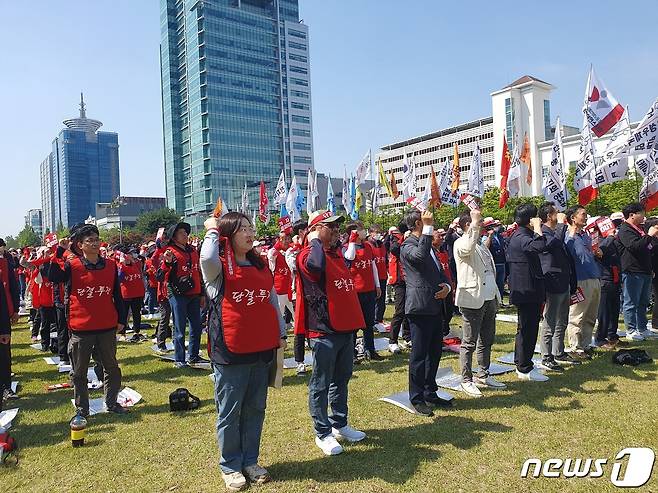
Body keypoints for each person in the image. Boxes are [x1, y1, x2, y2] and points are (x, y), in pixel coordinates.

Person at [200, 212, 285, 491]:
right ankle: (230, 465)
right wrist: (211, 231)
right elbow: (207, 258)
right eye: (241, 229)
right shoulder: (217, 269)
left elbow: (272, 301)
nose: (249, 233)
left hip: (261, 349)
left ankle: (250, 460)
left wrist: (281, 333)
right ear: (227, 235)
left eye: (250, 228)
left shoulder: (260, 265)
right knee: (229, 411)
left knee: (255, 408)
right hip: (230, 352)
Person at [295, 210, 367, 456]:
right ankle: (322, 432)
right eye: (331, 227)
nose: (337, 231)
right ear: (316, 230)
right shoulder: (308, 254)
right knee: (321, 382)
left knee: (342, 378)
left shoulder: (336, 254)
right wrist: (313, 239)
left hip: (344, 328)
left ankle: (340, 423)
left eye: (338, 227)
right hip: (323, 329)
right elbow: (314, 266)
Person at [43, 224, 128, 416]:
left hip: (106, 325)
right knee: (79, 372)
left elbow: (117, 295)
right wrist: (59, 250)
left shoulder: (111, 265)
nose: (95, 243)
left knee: (112, 368)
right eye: (89, 240)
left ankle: (112, 402)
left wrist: (122, 319)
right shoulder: (72, 266)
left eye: (97, 239)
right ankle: (83, 408)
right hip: (81, 327)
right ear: (80, 245)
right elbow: (52, 276)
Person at [400, 209, 452, 416]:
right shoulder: (408, 246)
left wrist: (447, 288)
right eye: (427, 222)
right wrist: (428, 229)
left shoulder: (429, 245)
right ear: (418, 224)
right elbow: (419, 258)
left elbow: (440, 272)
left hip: (435, 305)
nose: (432, 225)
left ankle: (430, 390)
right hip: (419, 307)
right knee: (419, 355)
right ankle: (417, 396)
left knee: (434, 352)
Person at [453, 210, 505, 397]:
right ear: (468, 225)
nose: (482, 224)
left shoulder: (480, 244)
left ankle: (483, 373)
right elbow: (467, 248)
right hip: (472, 298)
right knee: (469, 341)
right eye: (478, 222)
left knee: (487, 338)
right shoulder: (461, 242)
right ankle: (466, 379)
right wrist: (474, 223)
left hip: (489, 296)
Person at [506, 203, 550, 382]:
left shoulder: (523, 235)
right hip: (526, 289)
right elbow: (539, 246)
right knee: (527, 328)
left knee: (528, 327)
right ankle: (524, 367)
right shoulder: (521, 236)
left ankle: (524, 362)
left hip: (529, 288)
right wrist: (539, 228)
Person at [158, 222, 208, 368]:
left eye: (185, 232)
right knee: (179, 328)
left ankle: (193, 356)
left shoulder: (193, 250)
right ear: (174, 237)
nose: (185, 235)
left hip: (194, 293)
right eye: (181, 233)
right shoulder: (170, 252)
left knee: (196, 326)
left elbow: (199, 272)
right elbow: (160, 276)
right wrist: (166, 263)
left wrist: (202, 293)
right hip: (177, 294)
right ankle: (179, 359)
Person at [537, 202, 579, 369]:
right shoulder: (544, 232)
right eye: (557, 213)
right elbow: (551, 245)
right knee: (550, 320)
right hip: (553, 282)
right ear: (549, 216)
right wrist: (562, 225)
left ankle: (558, 351)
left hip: (563, 281)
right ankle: (546, 356)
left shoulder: (556, 232)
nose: (560, 215)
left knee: (563, 319)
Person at [563, 205, 602, 359]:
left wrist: (598, 252)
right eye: (583, 214)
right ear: (573, 218)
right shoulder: (568, 235)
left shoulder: (586, 236)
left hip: (593, 277)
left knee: (591, 315)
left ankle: (585, 344)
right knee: (578, 315)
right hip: (580, 280)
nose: (586, 217)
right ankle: (575, 346)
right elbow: (567, 250)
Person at [615, 202, 658, 341]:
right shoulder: (625, 229)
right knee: (631, 302)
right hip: (632, 270)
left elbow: (647, 249)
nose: (643, 216)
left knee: (643, 302)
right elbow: (634, 247)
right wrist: (649, 236)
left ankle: (642, 328)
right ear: (632, 215)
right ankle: (631, 330)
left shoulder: (639, 229)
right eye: (641, 213)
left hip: (644, 270)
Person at [343, 220, 382, 361]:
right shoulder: (347, 247)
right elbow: (350, 257)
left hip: (369, 289)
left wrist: (377, 285)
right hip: (355, 291)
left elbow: (373, 267)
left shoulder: (368, 246)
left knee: (369, 323)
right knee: (353, 325)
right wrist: (352, 241)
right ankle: (351, 353)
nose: (363, 232)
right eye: (360, 229)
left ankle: (370, 350)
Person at [595, 221, 625, 349]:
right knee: (604, 312)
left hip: (615, 277)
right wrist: (609, 237)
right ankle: (600, 338)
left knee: (614, 310)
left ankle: (612, 335)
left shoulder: (613, 240)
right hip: (604, 279)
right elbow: (600, 252)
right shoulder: (599, 240)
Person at [0, 237, 20, 405]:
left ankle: (6, 387)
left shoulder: (5, 264)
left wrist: (14, 310)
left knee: (3, 354)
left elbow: (13, 288)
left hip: (3, 313)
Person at [387, 225, 410, 354]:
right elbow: (394, 249)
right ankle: (392, 341)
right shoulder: (396, 240)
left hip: (410, 279)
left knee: (409, 310)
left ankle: (407, 336)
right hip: (399, 280)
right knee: (400, 310)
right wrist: (402, 239)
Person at [118, 247, 146, 342]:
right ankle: (122, 333)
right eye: (130, 253)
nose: (132, 255)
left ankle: (136, 332)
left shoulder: (137, 264)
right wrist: (122, 264)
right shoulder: (120, 266)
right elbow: (119, 278)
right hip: (126, 294)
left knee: (136, 313)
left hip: (137, 293)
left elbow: (141, 275)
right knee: (124, 314)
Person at [367, 224, 388, 332]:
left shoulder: (382, 245)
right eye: (376, 232)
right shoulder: (367, 245)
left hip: (383, 276)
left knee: (381, 301)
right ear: (370, 233)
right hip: (373, 278)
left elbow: (386, 259)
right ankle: (373, 321)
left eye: (380, 232)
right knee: (374, 300)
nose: (379, 234)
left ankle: (379, 320)